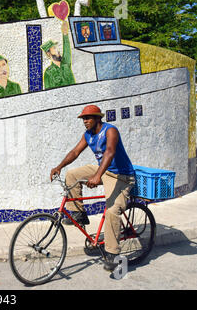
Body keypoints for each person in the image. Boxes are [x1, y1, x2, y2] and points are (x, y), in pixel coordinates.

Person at [49, 105, 135, 272]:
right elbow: (75, 152)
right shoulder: (88, 135)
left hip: (121, 176)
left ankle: (112, 254)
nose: (85, 122)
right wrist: (59, 166)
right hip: (104, 170)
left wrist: (97, 176)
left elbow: (109, 152)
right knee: (72, 175)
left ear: (98, 118)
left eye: (88, 118)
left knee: (112, 210)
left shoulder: (110, 130)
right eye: (83, 119)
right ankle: (79, 213)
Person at [40, 21, 75, 90]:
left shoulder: (65, 64)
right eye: (54, 48)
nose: (58, 50)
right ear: (48, 54)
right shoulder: (48, 72)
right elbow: (49, 92)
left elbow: (67, 50)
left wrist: (65, 34)